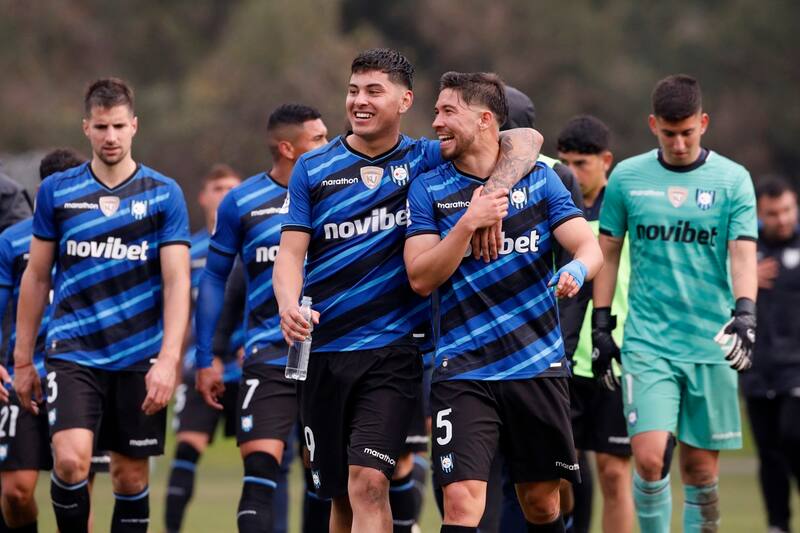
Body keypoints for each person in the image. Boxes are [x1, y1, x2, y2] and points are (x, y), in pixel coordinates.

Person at [273, 49, 541, 533]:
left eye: (374, 91)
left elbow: (526, 138)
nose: (359, 101)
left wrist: (488, 197)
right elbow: (291, 254)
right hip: (323, 349)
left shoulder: (424, 158)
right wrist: (288, 305)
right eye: (354, 90)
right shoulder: (312, 168)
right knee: (340, 496)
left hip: (394, 352)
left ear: (404, 101)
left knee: (369, 481)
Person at [404, 71, 602, 533]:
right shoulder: (428, 188)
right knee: (460, 504)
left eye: (448, 111)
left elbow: (587, 247)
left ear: (485, 120)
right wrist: (467, 224)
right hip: (463, 371)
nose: (436, 122)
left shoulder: (542, 181)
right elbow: (421, 277)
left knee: (542, 504)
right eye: (436, 111)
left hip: (535, 367)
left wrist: (576, 270)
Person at [13, 78, 191, 533]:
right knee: (71, 462)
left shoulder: (164, 193)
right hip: (74, 352)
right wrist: (23, 359)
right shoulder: (57, 192)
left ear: (134, 126)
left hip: (138, 357)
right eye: (101, 127)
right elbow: (36, 277)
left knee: (129, 477)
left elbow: (177, 282)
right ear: (86, 128)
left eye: (118, 126)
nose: (110, 136)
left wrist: (169, 360)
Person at [591, 74, 757, 533]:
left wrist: (746, 313)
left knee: (701, 471)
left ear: (703, 123)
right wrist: (601, 325)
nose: (679, 144)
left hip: (710, 343)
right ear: (653, 126)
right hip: (649, 342)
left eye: (687, 132)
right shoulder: (627, 178)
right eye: (669, 134)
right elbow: (607, 252)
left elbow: (743, 254)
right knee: (648, 459)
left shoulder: (733, 180)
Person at [193, 103, 329, 532]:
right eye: (318, 139)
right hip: (268, 357)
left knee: (324, 479)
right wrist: (205, 357)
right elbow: (215, 279)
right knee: (259, 473)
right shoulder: (242, 201)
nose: (329, 145)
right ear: (288, 148)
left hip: (331, 357)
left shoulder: (339, 192)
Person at [0, 148, 84, 533]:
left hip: (81, 373)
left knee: (76, 478)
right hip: (21, 375)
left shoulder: (98, 237)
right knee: (16, 492)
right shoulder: (13, 241)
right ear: (42, 192)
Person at [557, 115, 634, 533]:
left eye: (581, 164)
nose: (572, 172)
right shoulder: (553, 205)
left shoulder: (624, 209)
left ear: (606, 161)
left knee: (614, 473)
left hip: (613, 357)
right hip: (560, 358)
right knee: (558, 472)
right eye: (565, 162)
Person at [164, 163, 241, 533]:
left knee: (266, 458)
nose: (225, 195)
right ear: (203, 197)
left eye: (232, 188)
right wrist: (173, 361)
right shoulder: (188, 251)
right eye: (218, 188)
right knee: (186, 450)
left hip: (248, 366)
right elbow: (176, 309)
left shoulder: (255, 244)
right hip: (201, 366)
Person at [741, 177, 800, 533]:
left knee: (793, 435)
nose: (782, 219)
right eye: (773, 213)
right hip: (758, 369)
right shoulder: (745, 251)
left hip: (797, 369)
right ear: (760, 215)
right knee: (769, 452)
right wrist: (742, 275)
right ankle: (778, 524)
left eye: (788, 210)